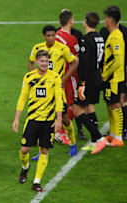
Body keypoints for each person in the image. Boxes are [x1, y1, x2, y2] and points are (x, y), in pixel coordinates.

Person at [13, 50, 63, 192]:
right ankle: (25, 167)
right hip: (32, 120)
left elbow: (59, 99)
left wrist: (58, 119)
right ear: (36, 61)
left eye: (47, 61)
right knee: (24, 149)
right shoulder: (29, 77)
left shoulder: (55, 77)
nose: (45, 64)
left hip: (48, 121)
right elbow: (22, 98)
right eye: (42, 61)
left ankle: (36, 181)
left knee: (44, 150)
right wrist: (17, 118)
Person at [28, 25, 79, 157]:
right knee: (43, 119)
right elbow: (30, 62)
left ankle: (73, 142)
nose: (51, 38)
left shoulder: (62, 48)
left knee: (65, 119)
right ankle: (42, 150)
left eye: (53, 35)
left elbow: (74, 62)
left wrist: (64, 79)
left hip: (57, 89)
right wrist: (34, 77)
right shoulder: (38, 48)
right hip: (43, 91)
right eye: (48, 35)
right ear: (44, 36)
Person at [75, 12, 108, 154]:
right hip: (97, 76)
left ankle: (99, 137)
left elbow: (84, 63)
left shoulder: (85, 39)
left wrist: (81, 83)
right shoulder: (100, 37)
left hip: (87, 78)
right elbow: (101, 59)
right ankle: (94, 142)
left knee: (77, 109)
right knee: (90, 107)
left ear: (86, 22)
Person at [56, 9, 85, 140]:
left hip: (57, 75)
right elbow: (77, 61)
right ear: (70, 21)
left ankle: (58, 131)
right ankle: (62, 133)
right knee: (70, 105)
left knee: (60, 104)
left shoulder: (55, 35)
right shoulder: (72, 39)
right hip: (69, 77)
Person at [100, 7, 127, 141]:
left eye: (105, 18)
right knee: (110, 104)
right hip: (112, 78)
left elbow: (118, 61)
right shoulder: (113, 34)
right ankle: (112, 134)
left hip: (115, 78)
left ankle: (118, 137)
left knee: (115, 105)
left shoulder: (116, 36)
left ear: (110, 19)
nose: (104, 21)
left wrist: (105, 74)